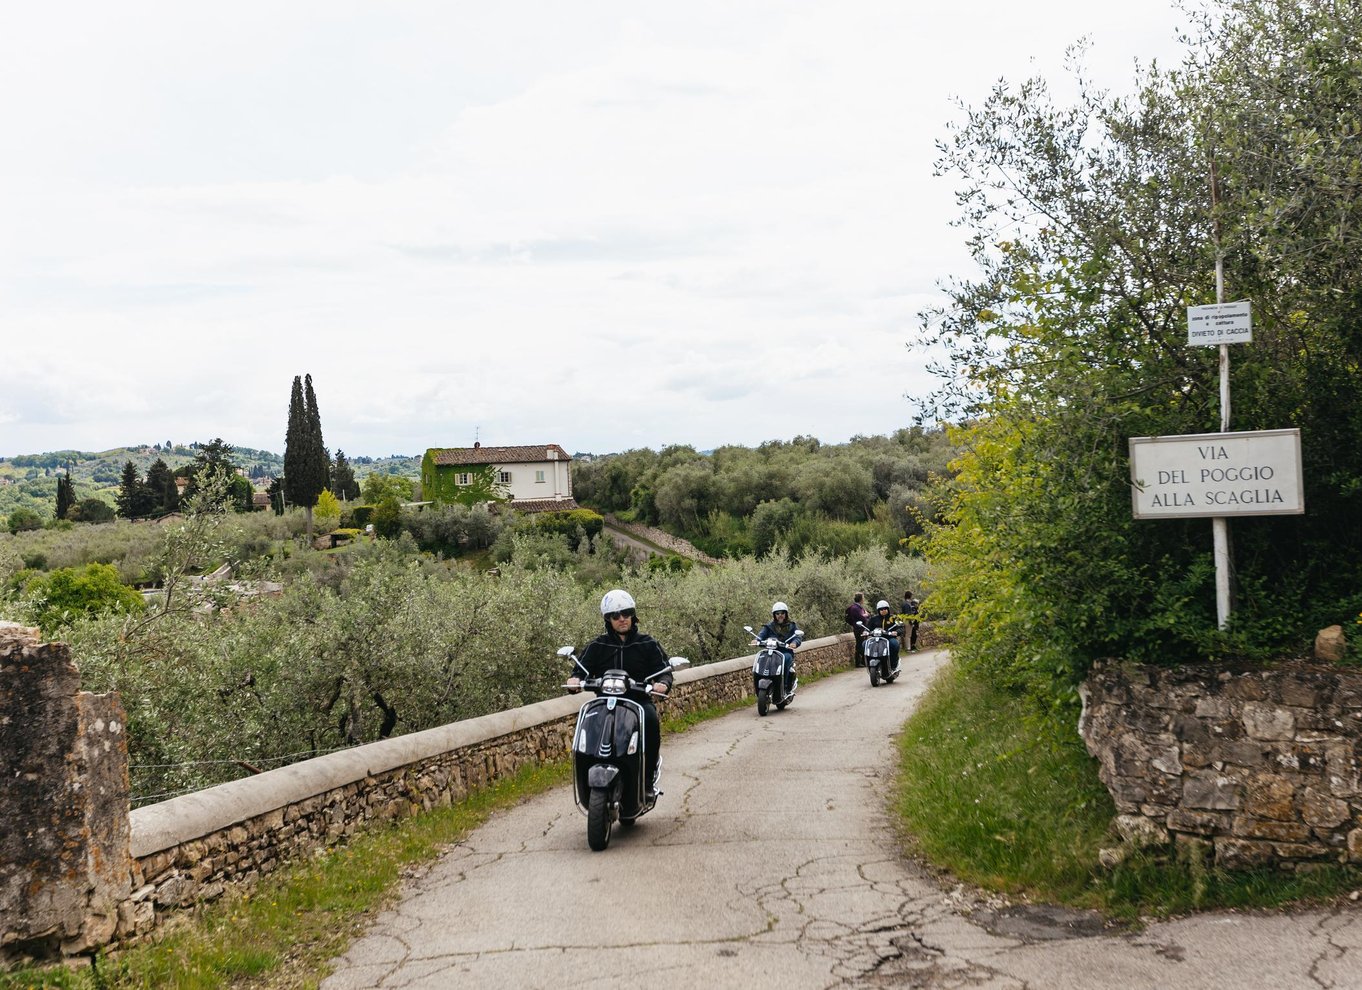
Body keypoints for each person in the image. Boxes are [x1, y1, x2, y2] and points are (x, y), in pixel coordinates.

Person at [566, 589, 674, 795]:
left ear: (633, 615)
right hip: (604, 702)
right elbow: (580, 670)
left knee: (650, 719)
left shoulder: (647, 643)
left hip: (637, 701)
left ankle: (648, 778)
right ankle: (585, 778)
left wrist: (663, 683)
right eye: (615, 615)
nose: (622, 619)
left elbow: (665, 671)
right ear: (608, 619)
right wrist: (575, 680)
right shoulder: (597, 645)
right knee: (586, 728)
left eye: (626, 613)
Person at [754, 601, 803, 696]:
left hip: (785, 651)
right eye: (777, 613)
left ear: (786, 614)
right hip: (771, 651)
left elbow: (798, 637)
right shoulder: (769, 626)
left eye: (782, 613)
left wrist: (794, 643)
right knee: (761, 660)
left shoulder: (792, 626)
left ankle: (784, 686)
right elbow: (761, 635)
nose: (780, 615)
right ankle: (760, 684)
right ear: (774, 615)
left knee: (786, 659)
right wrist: (757, 640)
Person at [867, 599, 902, 670]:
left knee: (894, 644)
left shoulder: (894, 618)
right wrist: (865, 631)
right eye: (881, 609)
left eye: (885, 609)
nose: (883, 610)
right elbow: (868, 628)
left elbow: (900, 627)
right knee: (865, 644)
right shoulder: (873, 619)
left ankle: (893, 663)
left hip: (889, 638)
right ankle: (868, 663)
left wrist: (897, 632)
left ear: (888, 609)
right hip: (876, 639)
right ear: (878, 610)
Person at [845, 592, 871, 666]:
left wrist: (866, 614)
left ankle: (863, 661)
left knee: (862, 644)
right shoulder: (855, 608)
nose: (864, 599)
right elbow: (862, 617)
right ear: (860, 599)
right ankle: (858, 662)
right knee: (859, 644)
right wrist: (867, 614)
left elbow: (864, 616)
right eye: (863, 597)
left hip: (862, 628)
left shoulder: (859, 607)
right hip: (858, 628)